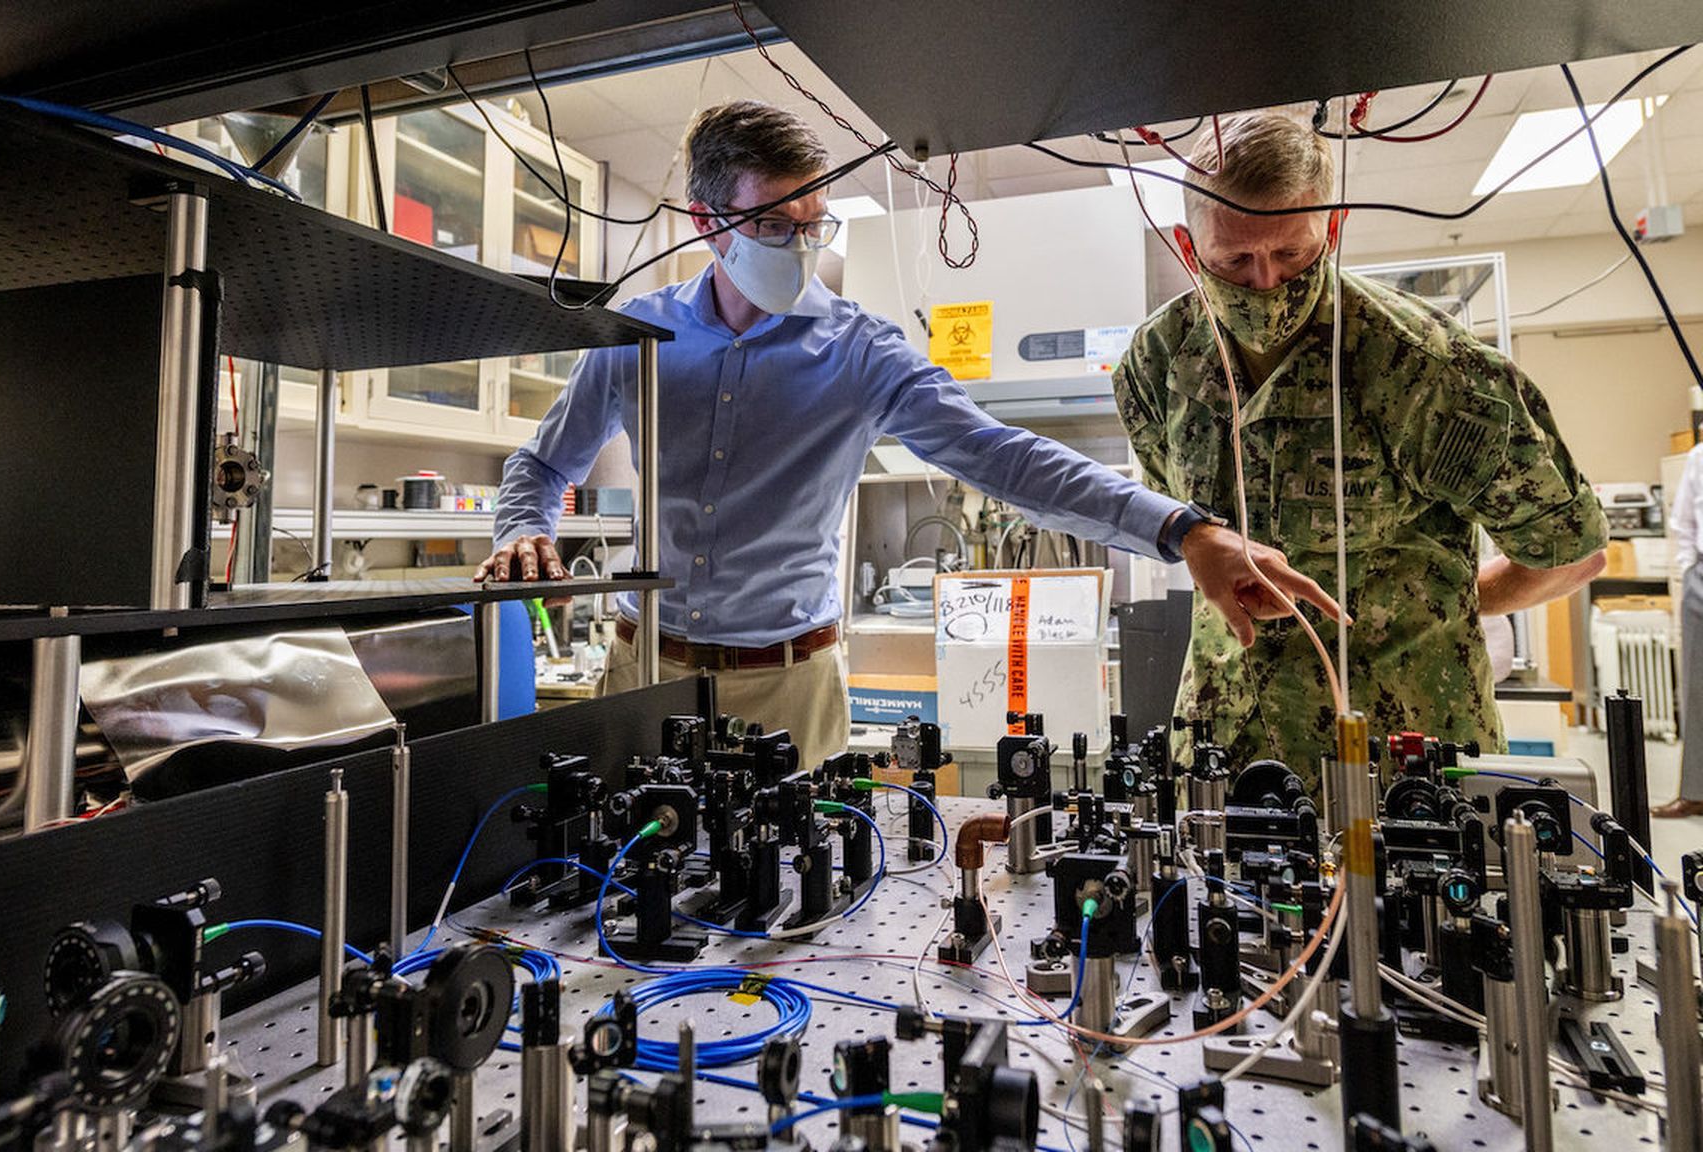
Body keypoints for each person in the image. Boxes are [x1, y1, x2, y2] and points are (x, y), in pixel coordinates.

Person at [478, 100, 1339, 762]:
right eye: (773, 226)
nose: (799, 245)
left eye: (813, 225)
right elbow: (543, 462)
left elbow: (1003, 457)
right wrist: (525, 525)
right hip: (643, 673)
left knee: (792, 922)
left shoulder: (859, 352)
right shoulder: (637, 336)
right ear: (708, 224)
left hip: (788, 684)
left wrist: (1182, 530)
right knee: (628, 895)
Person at [1112, 111, 1607, 783]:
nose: (1265, 282)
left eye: (1293, 253)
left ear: (1335, 227)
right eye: (1233, 260)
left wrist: (1454, 601)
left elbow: (1572, 552)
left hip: (1402, 752)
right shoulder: (1157, 363)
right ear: (1186, 245)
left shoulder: (1428, 371)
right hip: (1226, 747)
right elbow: (1178, 521)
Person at [1656, 440, 1703, 818]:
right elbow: (1683, 521)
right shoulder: (1699, 456)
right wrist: (1690, 568)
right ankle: (1695, 791)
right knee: (1696, 688)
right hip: (1701, 578)